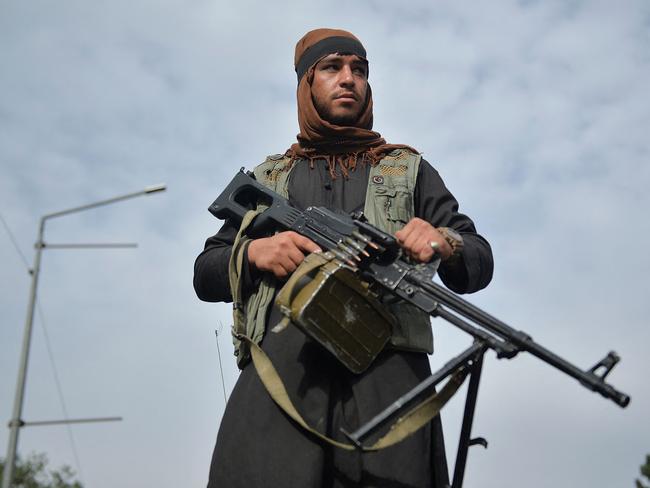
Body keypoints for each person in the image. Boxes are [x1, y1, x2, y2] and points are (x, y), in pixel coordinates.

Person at [194, 28, 493, 488]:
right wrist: (256, 251)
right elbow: (205, 272)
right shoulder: (270, 177)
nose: (348, 79)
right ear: (306, 84)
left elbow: (477, 259)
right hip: (283, 377)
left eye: (359, 70)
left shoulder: (408, 169)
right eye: (332, 68)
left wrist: (443, 241)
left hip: (387, 383)